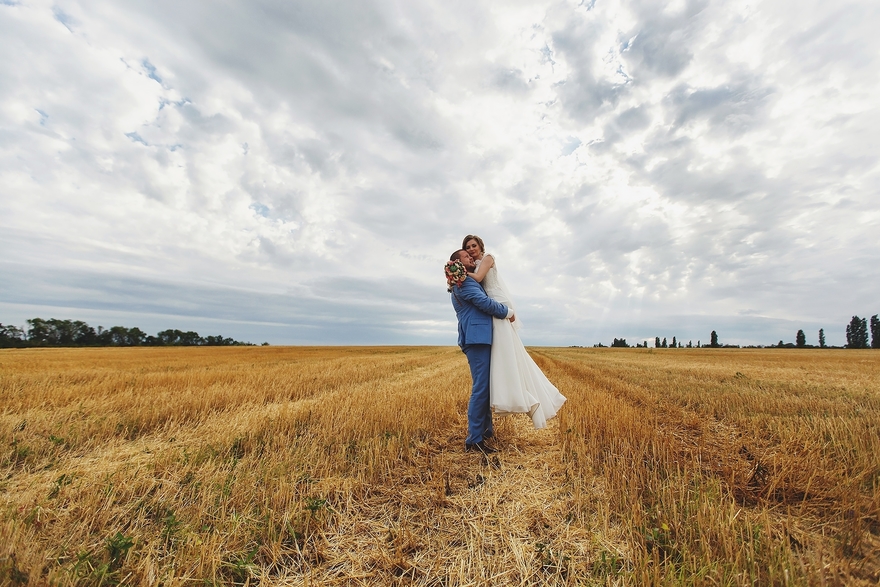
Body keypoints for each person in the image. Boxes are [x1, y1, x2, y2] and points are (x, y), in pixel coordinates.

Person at [462, 234, 566, 428]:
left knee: (505, 349)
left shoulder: (488, 258)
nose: (470, 249)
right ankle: (510, 391)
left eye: (473, 245)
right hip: (491, 306)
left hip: (498, 303)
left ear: (480, 245)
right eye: (467, 247)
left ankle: (520, 394)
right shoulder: (474, 263)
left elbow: (477, 278)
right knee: (504, 350)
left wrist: (458, 273)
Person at [446, 249, 514, 454]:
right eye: (467, 257)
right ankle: (474, 439)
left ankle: (484, 432)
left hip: (479, 337)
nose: (471, 258)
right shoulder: (465, 282)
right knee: (481, 388)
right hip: (476, 339)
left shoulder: (463, 282)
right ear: (458, 262)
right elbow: (483, 303)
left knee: (484, 387)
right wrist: (507, 312)